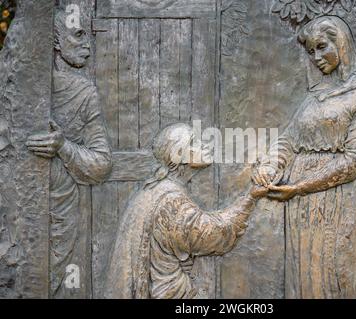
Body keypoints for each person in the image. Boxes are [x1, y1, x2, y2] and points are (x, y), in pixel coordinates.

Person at [253, 16, 356, 298]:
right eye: (311, 51)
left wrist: (300, 187)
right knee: (306, 277)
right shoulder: (315, 97)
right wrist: (270, 164)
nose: (316, 57)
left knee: (335, 272)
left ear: (342, 43)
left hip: (337, 202)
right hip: (302, 207)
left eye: (322, 47)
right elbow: (289, 138)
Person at [104, 123, 268, 299]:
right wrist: (250, 199)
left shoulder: (154, 190)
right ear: (179, 156)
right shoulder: (172, 203)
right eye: (194, 141)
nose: (204, 144)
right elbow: (215, 234)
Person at [25, 10, 112, 296]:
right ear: (55, 40)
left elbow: (101, 164)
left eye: (88, 34)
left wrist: (63, 146)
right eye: (78, 34)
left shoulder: (84, 93)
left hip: (64, 214)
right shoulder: (20, 87)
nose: (88, 44)